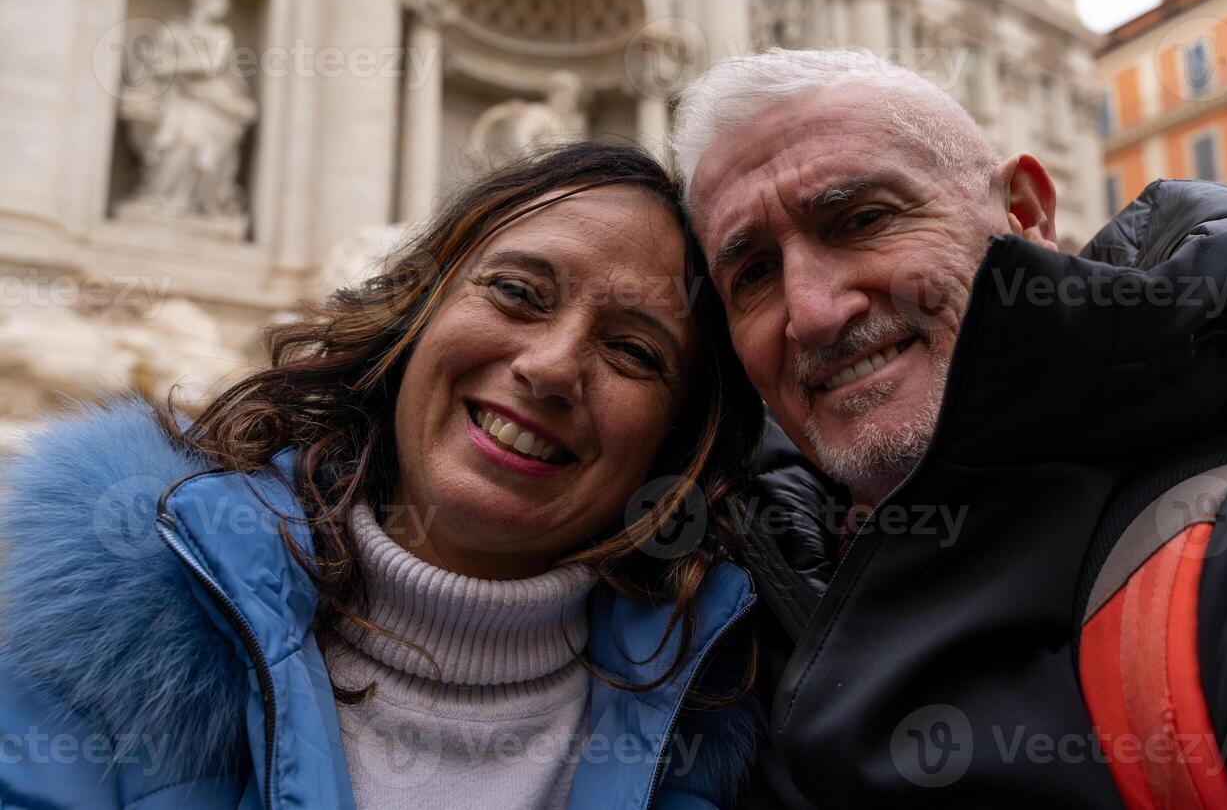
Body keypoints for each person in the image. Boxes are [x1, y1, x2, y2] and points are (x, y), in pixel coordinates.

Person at [673, 47, 1227, 808]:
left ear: (1024, 214)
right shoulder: (720, 611)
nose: (812, 311)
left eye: (862, 220)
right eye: (753, 273)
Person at [0, 143, 765, 809]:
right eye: (518, 293)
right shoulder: (105, 614)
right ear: (416, 312)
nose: (551, 367)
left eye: (634, 351)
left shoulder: (728, 707)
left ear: (679, 443)